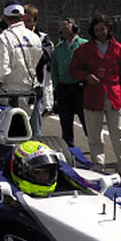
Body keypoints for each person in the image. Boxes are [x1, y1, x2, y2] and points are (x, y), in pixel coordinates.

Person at [69, 14, 121, 179]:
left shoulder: (118, 48)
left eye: (103, 29)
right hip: (92, 96)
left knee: (118, 132)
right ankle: (98, 166)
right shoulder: (84, 50)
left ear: (108, 29)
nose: (100, 33)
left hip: (114, 95)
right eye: (97, 30)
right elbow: (74, 70)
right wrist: (86, 76)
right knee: (94, 134)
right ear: (93, 31)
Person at [0, 1, 43, 132]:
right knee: (25, 128)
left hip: (9, 93)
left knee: (7, 132)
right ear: (22, 17)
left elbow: (0, 69)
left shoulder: (4, 38)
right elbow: (38, 60)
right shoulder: (35, 37)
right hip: (29, 90)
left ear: (4, 17)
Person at [51, 16, 88, 148]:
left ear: (74, 27)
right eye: (62, 29)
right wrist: (56, 84)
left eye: (66, 28)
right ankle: (69, 146)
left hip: (80, 87)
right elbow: (54, 67)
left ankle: (93, 143)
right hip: (64, 87)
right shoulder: (59, 48)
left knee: (85, 119)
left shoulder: (84, 45)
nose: (64, 31)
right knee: (65, 120)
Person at [24, 3, 53, 134]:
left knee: (35, 127)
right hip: (16, 87)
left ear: (35, 21)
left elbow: (44, 58)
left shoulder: (43, 37)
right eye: (23, 21)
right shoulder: (13, 38)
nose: (26, 24)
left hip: (35, 87)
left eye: (29, 21)